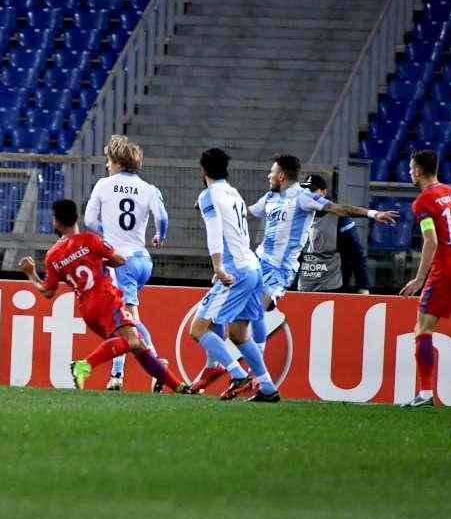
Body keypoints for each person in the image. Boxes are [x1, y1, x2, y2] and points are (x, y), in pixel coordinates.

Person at [192, 154, 397, 394]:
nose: (268, 176)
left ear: (281, 176)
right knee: (235, 324)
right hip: (257, 262)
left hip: (280, 270)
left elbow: (338, 208)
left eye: (271, 172)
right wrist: (215, 206)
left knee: (255, 312)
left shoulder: (303, 197)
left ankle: (251, 373)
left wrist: (372, 214)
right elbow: (243, 213)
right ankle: (251, 379)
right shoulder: (270, 197)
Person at [19, 199, 186, 392]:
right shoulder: (90, 240)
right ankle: (84, 365)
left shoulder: (53, 256)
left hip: (87, 310)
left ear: (55, 222)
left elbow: (48, 291)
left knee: (138, 344)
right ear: (77, 217)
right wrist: (100, 263)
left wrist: (31, 274)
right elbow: (120, 260)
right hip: (106, 299)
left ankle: (179, 387)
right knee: (132, 341)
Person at [187, 148, 278, 402]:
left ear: (203, 170)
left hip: (236, 271)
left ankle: (238, 375)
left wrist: (218, 267)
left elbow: (215, 231)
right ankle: (268, 388)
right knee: (238, 333)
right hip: (252, 267)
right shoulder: (234, 193)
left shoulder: (208, 195)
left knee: (198, 329)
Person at [399, 150, 451, 409]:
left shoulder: (423, 202)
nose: (409, 172)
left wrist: (419, 278)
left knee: (423, 329)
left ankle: (425, 393)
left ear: (418, 171)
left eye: (411, 168)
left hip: (446, 268)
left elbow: (431, 241)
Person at [83, 134, 168, 392]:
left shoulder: (103, 185)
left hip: (121, 262)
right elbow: (162, 218)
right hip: (143, 260)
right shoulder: (149, 188)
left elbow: (89, 221)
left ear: (118, 162)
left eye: (109, 160)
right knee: (122, 318)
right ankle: (116, 376)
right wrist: (160, 235)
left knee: (129, 321)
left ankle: (158, 366)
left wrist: (107, 237)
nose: (107, 165)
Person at [296, 174, 374, 294]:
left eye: (312, 190)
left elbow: (356, 254)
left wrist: (363, 286)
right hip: (304, 288)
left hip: (334, 288)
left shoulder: (339, 217)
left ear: (324, 192)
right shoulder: (298, 216)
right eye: (305, 190)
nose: (308, 194)